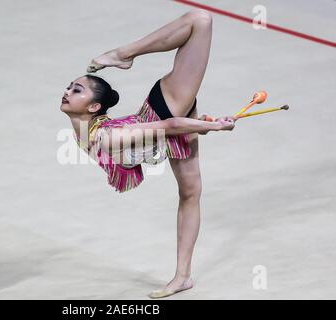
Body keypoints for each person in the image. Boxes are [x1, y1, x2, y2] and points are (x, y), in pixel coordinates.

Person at [60, 9, 236, 298]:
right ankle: (183, 277)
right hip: (164, 129)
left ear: (93, 108)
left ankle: (125, 53)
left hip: (165, 109)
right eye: (70, 88)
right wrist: (206, 126)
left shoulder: (103, 135)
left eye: (75, 90)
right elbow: (168, 130)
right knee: (190, 193)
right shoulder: (94, 133)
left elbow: (169, 124)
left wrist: (211, 127)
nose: (67, 92)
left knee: (200, 21)